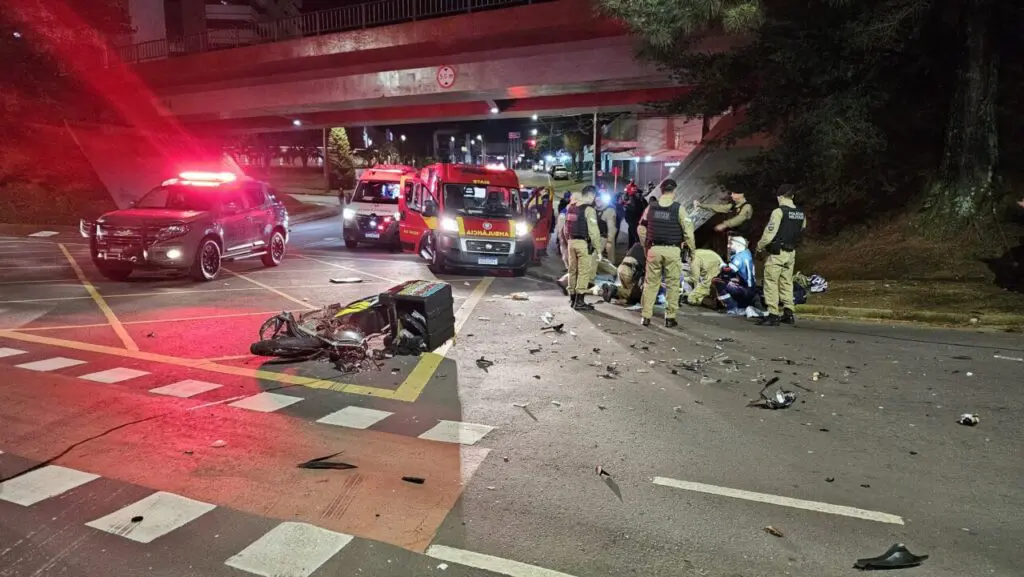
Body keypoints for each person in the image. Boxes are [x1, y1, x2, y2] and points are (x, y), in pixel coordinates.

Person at [637, 179, 696, 327]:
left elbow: (641, 228)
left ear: (661, 191)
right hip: (672, 250)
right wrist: (692, 251)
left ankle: (645, 317)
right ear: (674, 191)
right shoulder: (678, 208)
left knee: (650, 284)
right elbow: (688, 232)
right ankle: (669, 318)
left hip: (654, 250)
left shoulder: (650, 208)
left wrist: (646, 246)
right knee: (673, 284)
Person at [755, 184, 806, 326]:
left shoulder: (778, 212)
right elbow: (802, 229)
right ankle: (788, 313)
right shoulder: (801, 213)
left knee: (771, 282)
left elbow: (769, 233)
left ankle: (773, 314)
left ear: (780, 197)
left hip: (778, 252)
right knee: (787, 281)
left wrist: (759, 247)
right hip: (791, 253)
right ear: (793, 196)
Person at [565, 185, 602, 311]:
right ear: (591, 195)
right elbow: (594, 232)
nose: (594, 200)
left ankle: (572, 298)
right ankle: (579, 302)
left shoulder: (571, 207)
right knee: (583, 272)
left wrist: (568, 241)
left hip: (571, 241)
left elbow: (566, 227)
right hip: (582, 244)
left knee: (572, 271)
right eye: (594, 197)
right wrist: (598, 249)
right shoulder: (589, 210)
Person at [694, 186, 754, 257]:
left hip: (741, 238)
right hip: (732, 236)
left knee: (737, 258)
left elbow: (739, 219)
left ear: (741, 195)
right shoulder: (734, 205)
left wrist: (724, 225)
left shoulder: (747, 207)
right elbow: (719, 208)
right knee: (729, 257)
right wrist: (701, 205)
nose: (732, 195)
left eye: (734, 193)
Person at [713, 236, 757, 314]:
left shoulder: (739, 257)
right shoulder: (747, 253)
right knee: (731, 280)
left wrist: (722, 266)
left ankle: (732, 308)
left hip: (746, 290)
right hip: (751, 288)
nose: (728, 246)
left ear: (739, 245)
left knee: (717, 281)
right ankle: (741, 305)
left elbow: (728, 270)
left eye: (731, 244)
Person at [595, 192, 619, 267]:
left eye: (599, 200)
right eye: (596, 200)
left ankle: (612, 272)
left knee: (609, 258)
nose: (598, 202)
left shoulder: (609, 210)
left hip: (606, 236)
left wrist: (609, 241)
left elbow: (611, 228)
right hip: (597, 237)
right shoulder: (594, 209)